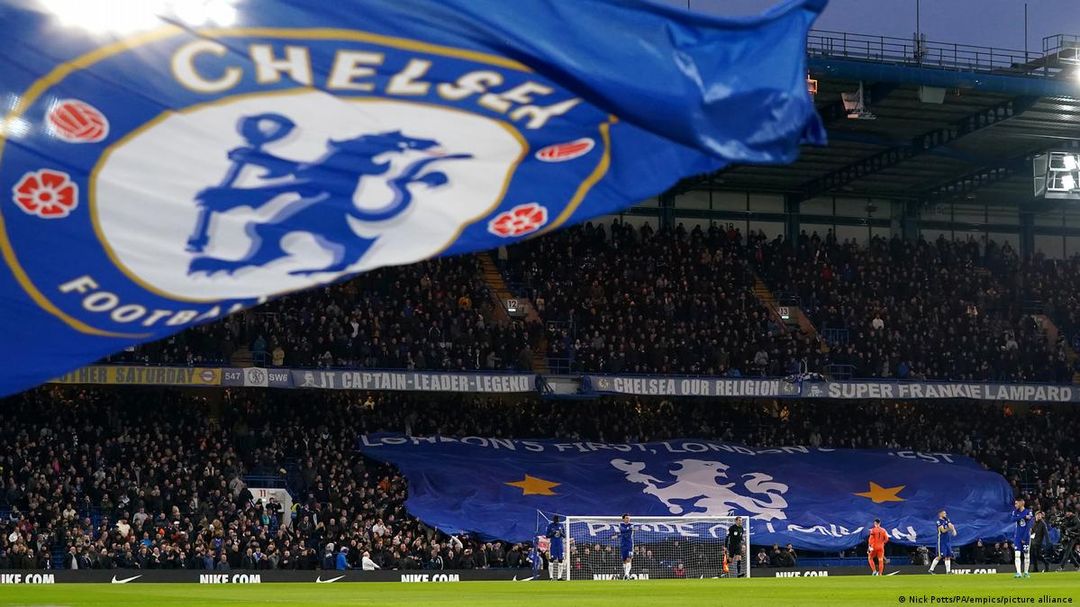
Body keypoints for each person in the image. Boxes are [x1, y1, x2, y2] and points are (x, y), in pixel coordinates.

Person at [929, 509, 957, 575]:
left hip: (947, 541)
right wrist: (949, 528)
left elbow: (952, 529)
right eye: (944, 513)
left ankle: (948, 571)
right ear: (940, 514)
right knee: (940, 556)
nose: (945, 514)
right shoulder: (939, 522)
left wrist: (953, 529)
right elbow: (943, 531)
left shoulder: (947, 521)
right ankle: (931, 569)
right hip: (941, 541)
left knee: (948, 556)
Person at [1011, 498, 1032, 579]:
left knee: (1026, 555)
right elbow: (1012, 519)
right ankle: (1018, 572)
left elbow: (1029, 525)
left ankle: (1026, 572)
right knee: (1017, 554)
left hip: (1026, 536)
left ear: (1021, 503)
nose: (1015, 505)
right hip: (1017, 536)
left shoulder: (1028, 511)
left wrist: (1024, 537)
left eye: (1017, 503)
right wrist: (1023, 516)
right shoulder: (1015, 512)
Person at [613, 513, 634, 580]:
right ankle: (626, 575)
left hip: (630, 545)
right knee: (624, 561)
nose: (628, 519)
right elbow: (623, 530)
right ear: (623, 519)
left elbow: (627, 533)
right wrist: (627, 529)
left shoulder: (632, 525)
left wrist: (619, 535)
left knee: (629, 559)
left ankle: (627, 574)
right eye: (627, 518)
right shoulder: (620, 525)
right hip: (622, 545)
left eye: (629, 518)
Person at [545, 515, 565, 581]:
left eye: (557, 519)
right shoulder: (550, 526)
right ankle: (551, 577)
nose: (557, 520)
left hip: (560, 545)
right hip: (553, 545)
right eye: (555, 519)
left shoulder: (561, 526)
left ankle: (559, 577)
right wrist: (552, 533)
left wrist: (561, 533)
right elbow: (547, 536)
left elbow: (565, 536)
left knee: (560, 560)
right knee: (552, 559)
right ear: (553, 520)